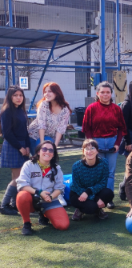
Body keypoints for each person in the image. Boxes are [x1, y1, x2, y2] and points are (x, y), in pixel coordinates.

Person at [82, 81, 127, 209]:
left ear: (111, 94)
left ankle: (108, 198)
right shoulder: (91, 108)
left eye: (108, 92)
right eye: (102, 92)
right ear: (97, 93)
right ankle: (96, 197)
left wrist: (118, 144)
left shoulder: (116, 109)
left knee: (110, 172)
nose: (105, 95)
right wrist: (91, 145)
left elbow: (121, 129)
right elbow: (87, 128)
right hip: (97, 141)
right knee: (97, 171)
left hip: (112, 141)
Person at [16, 141, 69, 235]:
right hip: (32, 199)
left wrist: (51, 197)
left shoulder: (57, 168)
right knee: (22, 196)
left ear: (53, 154)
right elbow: (22, 184)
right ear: (38, 152)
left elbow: (60, 187)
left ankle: (44, 214)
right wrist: (39, 192)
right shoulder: (29, 164)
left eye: (51, 150)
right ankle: (27, 223)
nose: (47, 152)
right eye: (44, 149)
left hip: (49, 200)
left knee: (63, 225)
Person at [0, 86, 30, 215]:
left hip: (22, 145)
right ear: (10, 97)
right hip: (14, 146)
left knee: (18, 177)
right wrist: (20, 147)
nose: (19, 98)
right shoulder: (6, 111)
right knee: (17, 177)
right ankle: (4, 205)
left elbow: (25, 130)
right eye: (15, 95)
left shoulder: (21, 110)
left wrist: (27, 146)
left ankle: (14, 204)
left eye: (21, 95)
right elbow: (7, 133)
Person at [70, 139, 115, 221]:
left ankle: (98, 210)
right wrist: (95, 199)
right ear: (83, 151)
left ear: (97, 151)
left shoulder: (104, 163)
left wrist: (89, 192)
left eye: (92, 148)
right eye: (87, 149)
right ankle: (80, 210)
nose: (89, 151)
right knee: (91, 208)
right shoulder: (76, 166)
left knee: (109, 193)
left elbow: (103, 183)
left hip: (94, 192)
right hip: (79, 193)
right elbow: (75, 186)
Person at [28, 82, 72, 152]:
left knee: (49, 157)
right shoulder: (44, 105)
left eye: (50, 91)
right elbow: (41, 125)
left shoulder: (65, 109)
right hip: (34, 136)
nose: (46, 94)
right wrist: (42, 143)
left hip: (49, 137)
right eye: (45, 92)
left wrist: (55, 146)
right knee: (39, 158)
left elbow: (60, 129)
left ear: (57, 93)